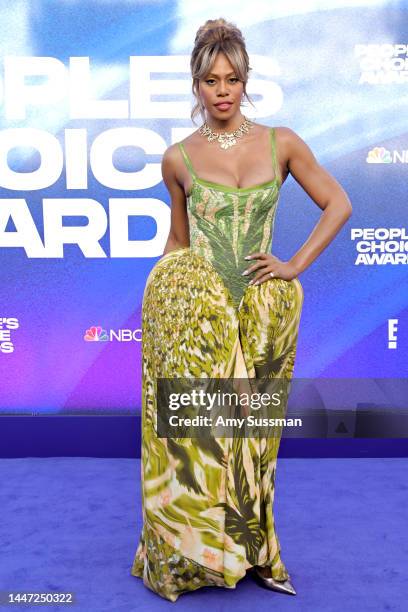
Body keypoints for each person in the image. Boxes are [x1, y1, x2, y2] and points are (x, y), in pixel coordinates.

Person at [131, 17, 352, 603]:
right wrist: (162, 305)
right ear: (197, 85)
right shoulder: (177, 158)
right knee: (197, 441)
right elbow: (177, 243)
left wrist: (294, 265)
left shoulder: (282, 142)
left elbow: (339, 203)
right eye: (211, 79)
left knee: (252, 441)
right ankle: (192, 559)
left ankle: (251, 551)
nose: (222, 90)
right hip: (199, 320)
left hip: (259, 317)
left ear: (246, 79)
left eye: (232, 78)